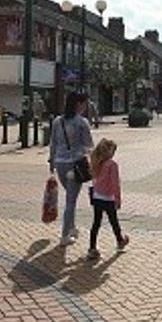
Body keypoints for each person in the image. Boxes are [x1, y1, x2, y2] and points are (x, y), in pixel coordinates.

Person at [48, 91, 93, 246]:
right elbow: (89, 144)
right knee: (71, 201)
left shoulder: (57, 121)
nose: (86, 107)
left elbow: (53, 143)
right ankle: (64, 235)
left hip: (59, 163)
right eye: (84, 103)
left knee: (70, 196)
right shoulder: (82, 122)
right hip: (75, 164)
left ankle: (72, 228)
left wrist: (51, 162)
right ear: (78, 104)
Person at [86, 138, 128, 261]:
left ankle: (92, 248)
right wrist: (118, 199)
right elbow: (115, 183)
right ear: (110, 151)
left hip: (97, 196)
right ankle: (120, 241)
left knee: (96, 222)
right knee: (113, 221)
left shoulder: (96, 162)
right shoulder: (112, 165)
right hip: (108, 198)